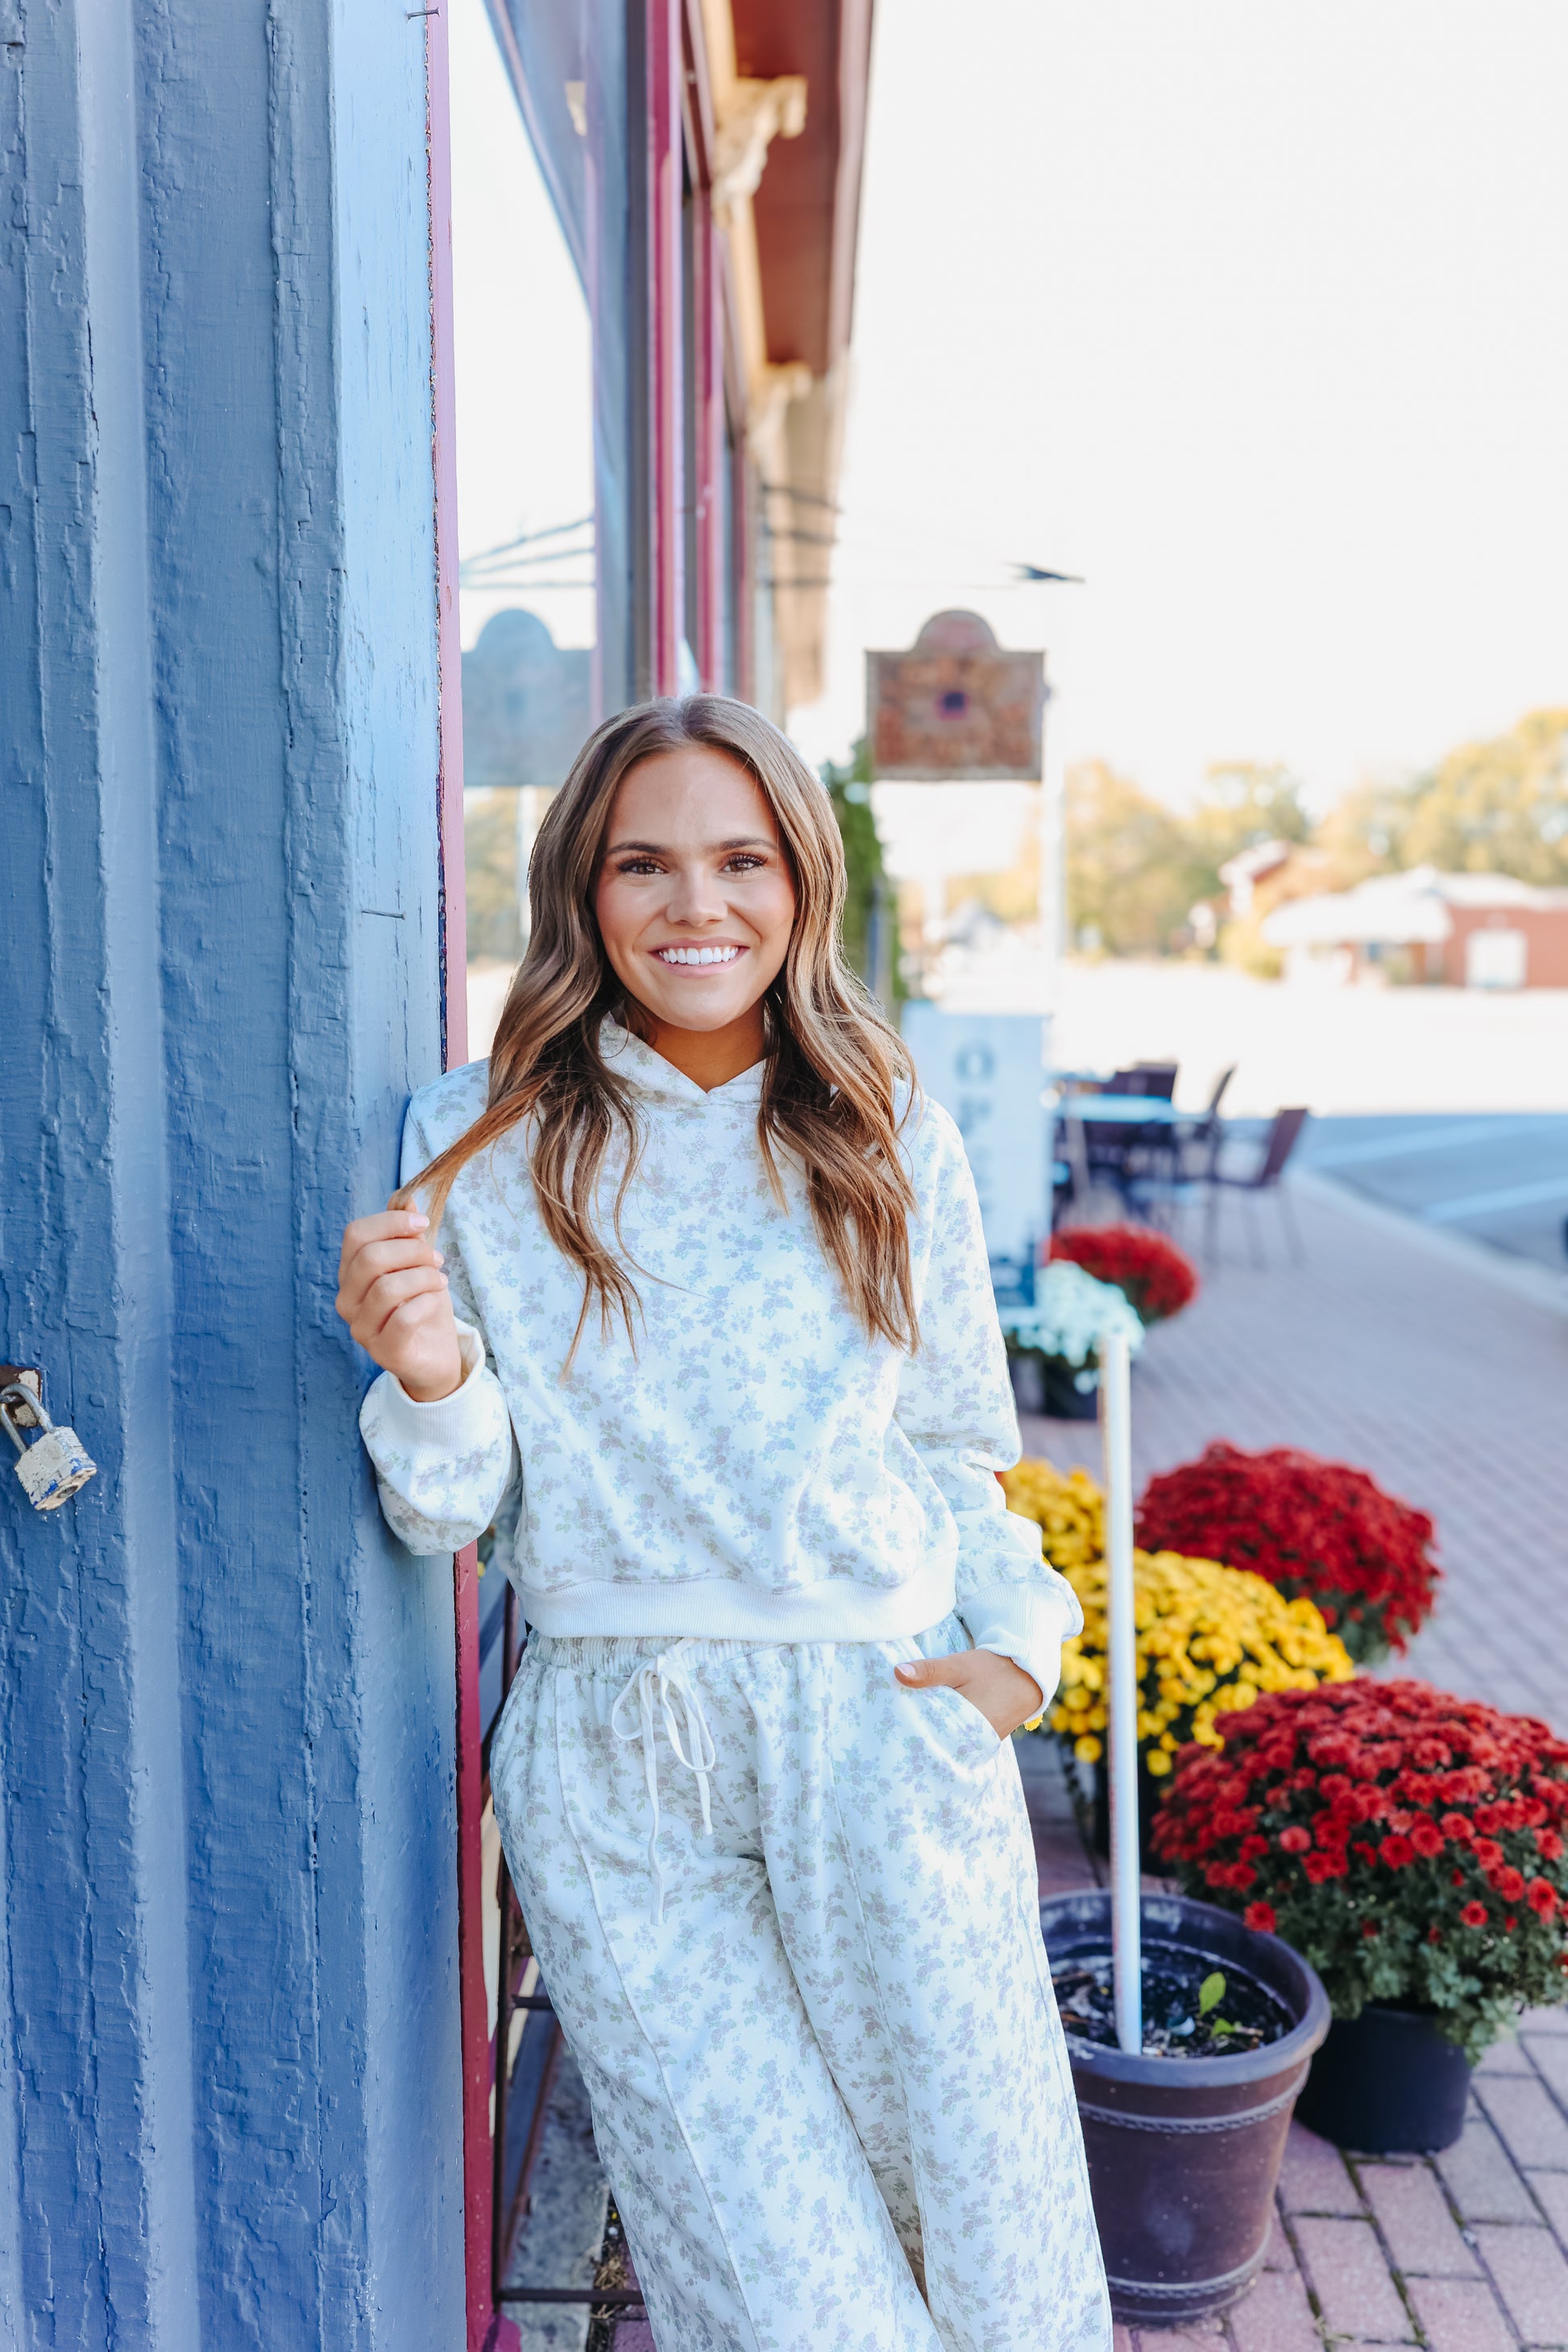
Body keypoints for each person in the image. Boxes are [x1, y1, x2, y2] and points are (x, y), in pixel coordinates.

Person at [336, 697, 1110, 2352]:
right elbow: (448, 1508)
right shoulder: (474, 1135)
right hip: (618, 1767)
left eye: (741, 858)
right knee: (778, 2291)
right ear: (582, 891)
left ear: (800, 881)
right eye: (646, 862)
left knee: (989, 2241)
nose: (699, 904)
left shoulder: (885, 1122)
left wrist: (1012, 1671)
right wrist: (430, 1368)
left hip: (882, 1729)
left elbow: (959, 1444)